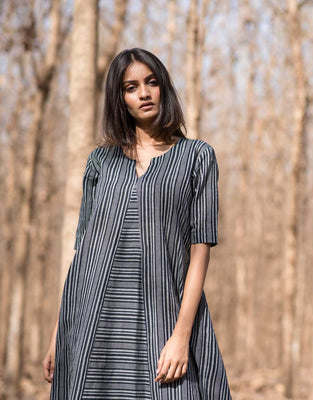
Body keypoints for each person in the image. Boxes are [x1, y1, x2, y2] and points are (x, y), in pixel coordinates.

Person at [42, 48, 232, 400]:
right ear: (120, 99)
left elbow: (200, 250)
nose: (143, 93)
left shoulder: (197, 157)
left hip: (163, 314)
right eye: (131, 87)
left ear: (163, 88)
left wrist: (181, 335)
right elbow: (84, 251)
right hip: (92, 319)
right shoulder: (100, 162)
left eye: (151, 82)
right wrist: (59, 333)